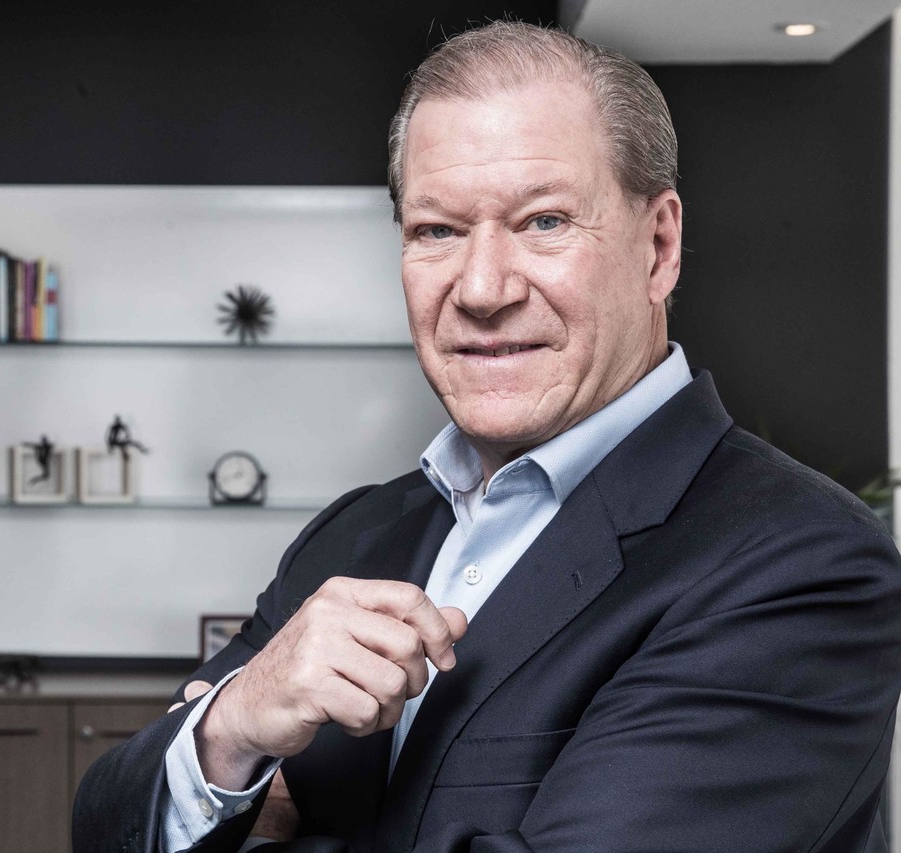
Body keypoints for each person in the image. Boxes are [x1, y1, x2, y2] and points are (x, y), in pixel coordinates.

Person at [74, 21, 901, 852]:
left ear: (658, 248)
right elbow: (107, 826)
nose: (480, 288)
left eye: (543, 221)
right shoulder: (351, 537)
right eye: (437, 230)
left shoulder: (802, 562)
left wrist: (278, 825)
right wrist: (231, 727)